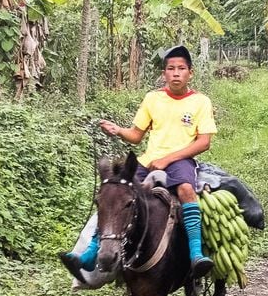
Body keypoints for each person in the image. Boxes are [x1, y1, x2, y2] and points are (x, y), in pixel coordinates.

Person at [61, 45, 217, 281]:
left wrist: (168, 158)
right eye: (171, 68)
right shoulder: (153, 99)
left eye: (181, 69)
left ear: (190, 73)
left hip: (181, 160)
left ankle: (196, 254)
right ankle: (91, 253)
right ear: (164, 73)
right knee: (114, 195)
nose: (176, 73)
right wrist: (117, 130)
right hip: (148, 160)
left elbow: (204, 142)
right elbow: (136, 135)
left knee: (186, 190)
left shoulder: (200, 102)